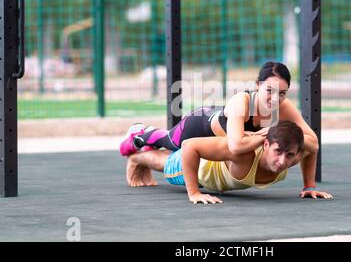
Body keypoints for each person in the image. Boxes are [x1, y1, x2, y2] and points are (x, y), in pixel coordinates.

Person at [120, 62, 320, 176]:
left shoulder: (284, 106)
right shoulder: (242, 101)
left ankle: (145, 148)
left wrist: (308, 182)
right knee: (169, 142)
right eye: (270, 90)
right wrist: (266, 134)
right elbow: (236, 145)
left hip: (218, 130)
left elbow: (313, 143)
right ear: (258, 85)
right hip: (198, 125)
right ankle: (139, 135)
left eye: (282, 93)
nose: (276, 99)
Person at [126, 121, 333, 204]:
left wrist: (309, 185)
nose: (282, 161)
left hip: (216, 174)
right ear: (266, 144)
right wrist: (194, 193)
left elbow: (310, 150)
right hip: (200, 167)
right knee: (165, 162)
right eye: (278, 152)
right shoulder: (244, 154)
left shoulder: (291, 157)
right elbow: (190, 147)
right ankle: (138, 154)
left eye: (289, 155)